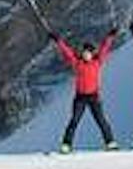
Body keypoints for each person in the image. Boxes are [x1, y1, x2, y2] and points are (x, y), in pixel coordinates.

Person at [47, 22, 123, 152]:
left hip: (94, 96)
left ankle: (110, 142)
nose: (86, 54)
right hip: (80, 97)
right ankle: (66, 145)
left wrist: (111, 35)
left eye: (88, 52)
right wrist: (58, 40)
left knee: (101, 120)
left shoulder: (97, 62)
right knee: (74, 121)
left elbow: (105, 48)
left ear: (92, 53)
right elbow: (67, 52)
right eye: (84, 52)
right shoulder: (77, 63)